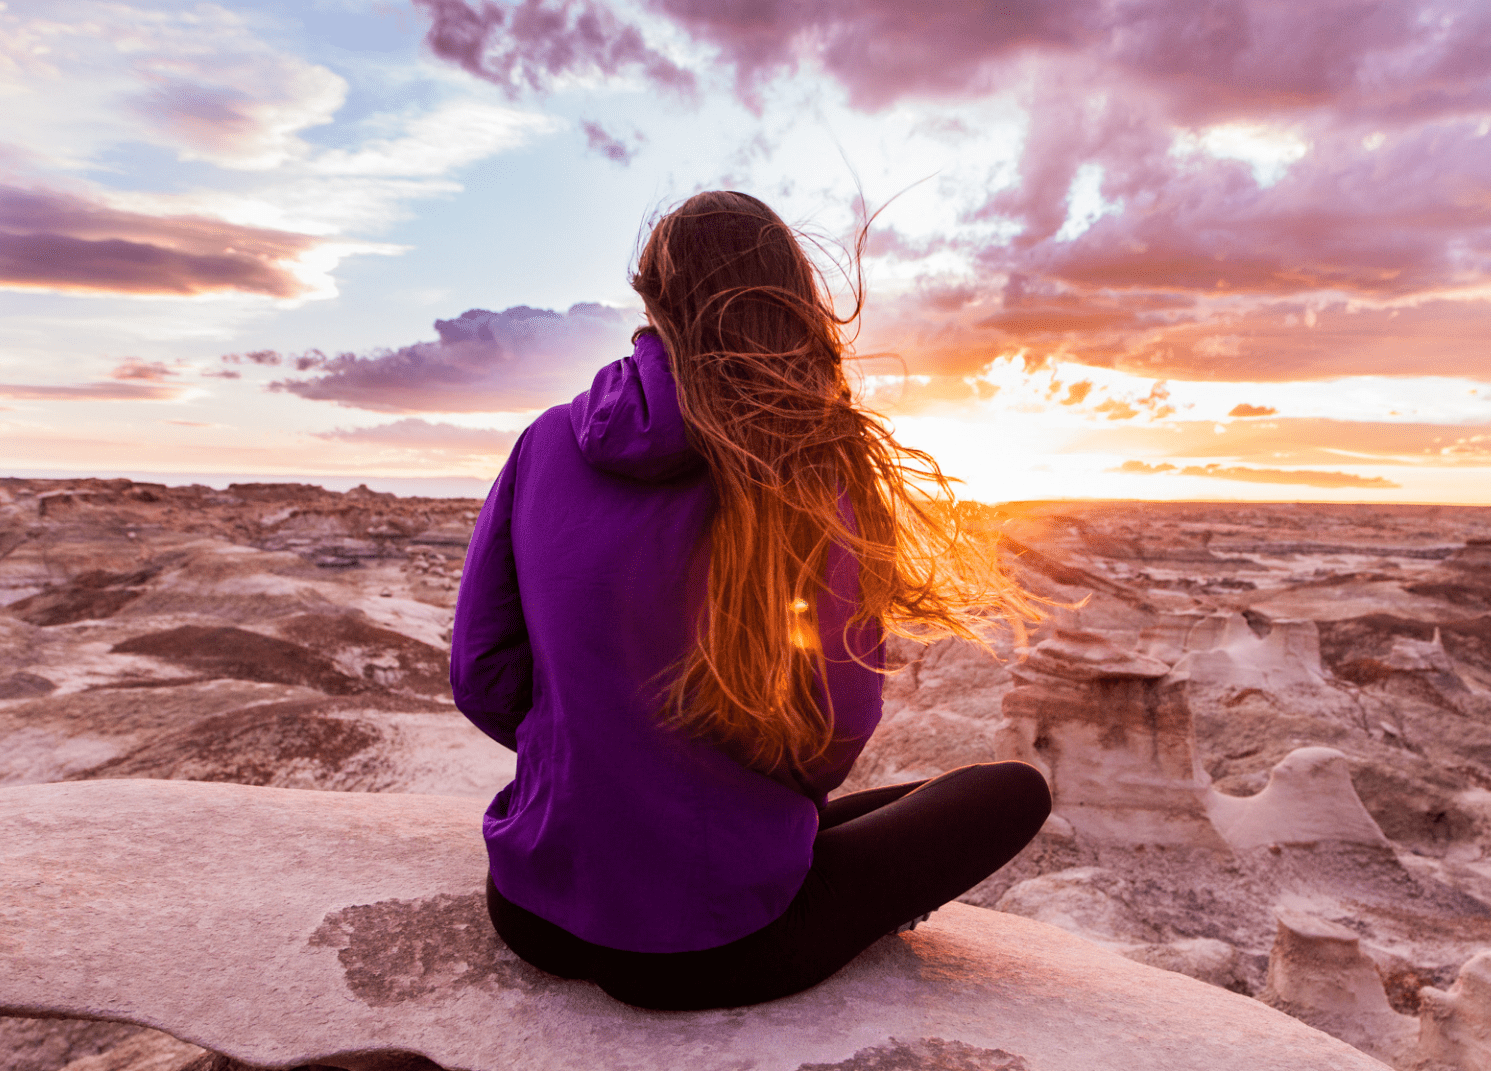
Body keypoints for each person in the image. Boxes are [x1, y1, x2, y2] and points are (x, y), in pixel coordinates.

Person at [450, 190, 1052, 1011]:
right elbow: (834, 728)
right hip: (707, 946)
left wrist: (593, 753)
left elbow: (482, 674)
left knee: (887, 809)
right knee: (1011, 793)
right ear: (793, 300)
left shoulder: (545, 439)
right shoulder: (807, 460)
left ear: (652, 296)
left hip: (529, 906)